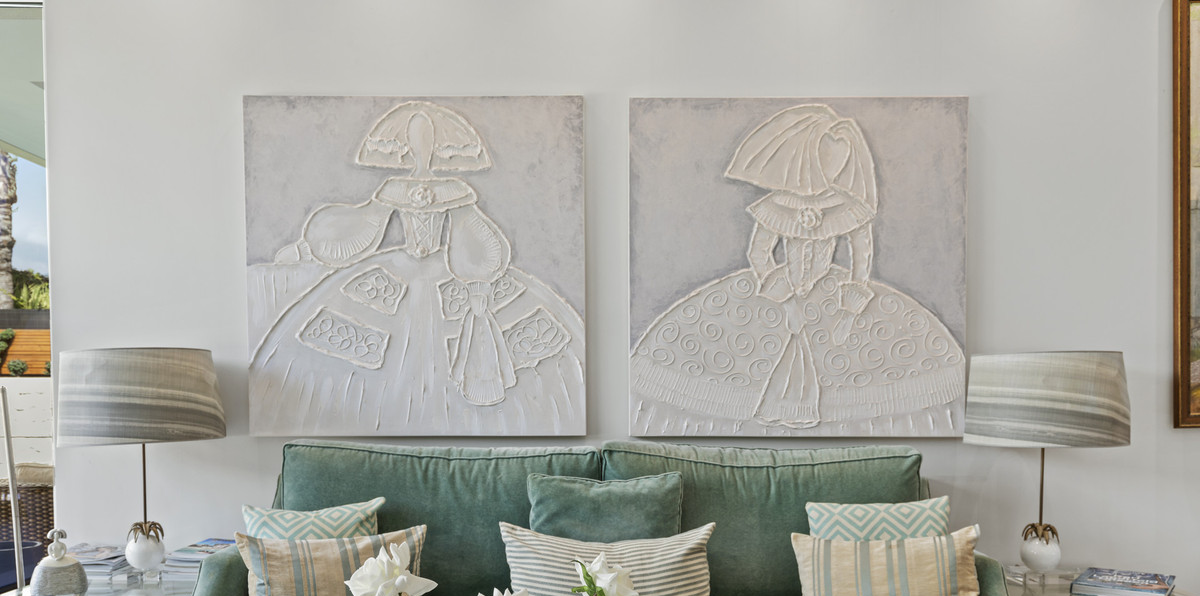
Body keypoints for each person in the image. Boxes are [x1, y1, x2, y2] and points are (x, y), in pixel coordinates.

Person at [250, 101, 583, 435]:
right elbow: (363, 227)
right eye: (416, 141)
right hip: (402, 269)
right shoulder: (398, 188)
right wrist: (309, 247)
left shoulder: (452, 190)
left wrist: (477, 279)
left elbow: (475, 236)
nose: (420, 148)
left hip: (445, 268)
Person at [631, 104, 964, 435]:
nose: (835, 164)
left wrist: (848, 313)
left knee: (850, 364)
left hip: (829, 294)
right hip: (779, 291)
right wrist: (787, 301)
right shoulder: (778, 203)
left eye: (841, 156)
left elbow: (861, 261)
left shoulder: (850, 207)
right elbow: (759, 253)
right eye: (827, 154)